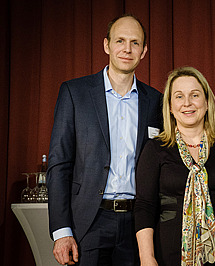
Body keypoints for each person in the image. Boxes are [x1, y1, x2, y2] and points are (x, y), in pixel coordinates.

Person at [47, 14, 162, 265]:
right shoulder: (75, 93)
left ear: (144, 51)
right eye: (120, 40)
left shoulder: (156, 101)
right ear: (106, 45)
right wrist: (62, 231)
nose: (127, 49)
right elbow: (59, 164)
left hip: (138, 225)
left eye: (135, 42)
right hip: (87, 223)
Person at [134, 66, 215, 265]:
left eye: (195, 95)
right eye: (179, 96)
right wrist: (146, 257)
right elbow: (145, 206)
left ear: (207, 102)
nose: (187, 103)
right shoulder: (155, 149)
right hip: (169, 253)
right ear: (169, 106)